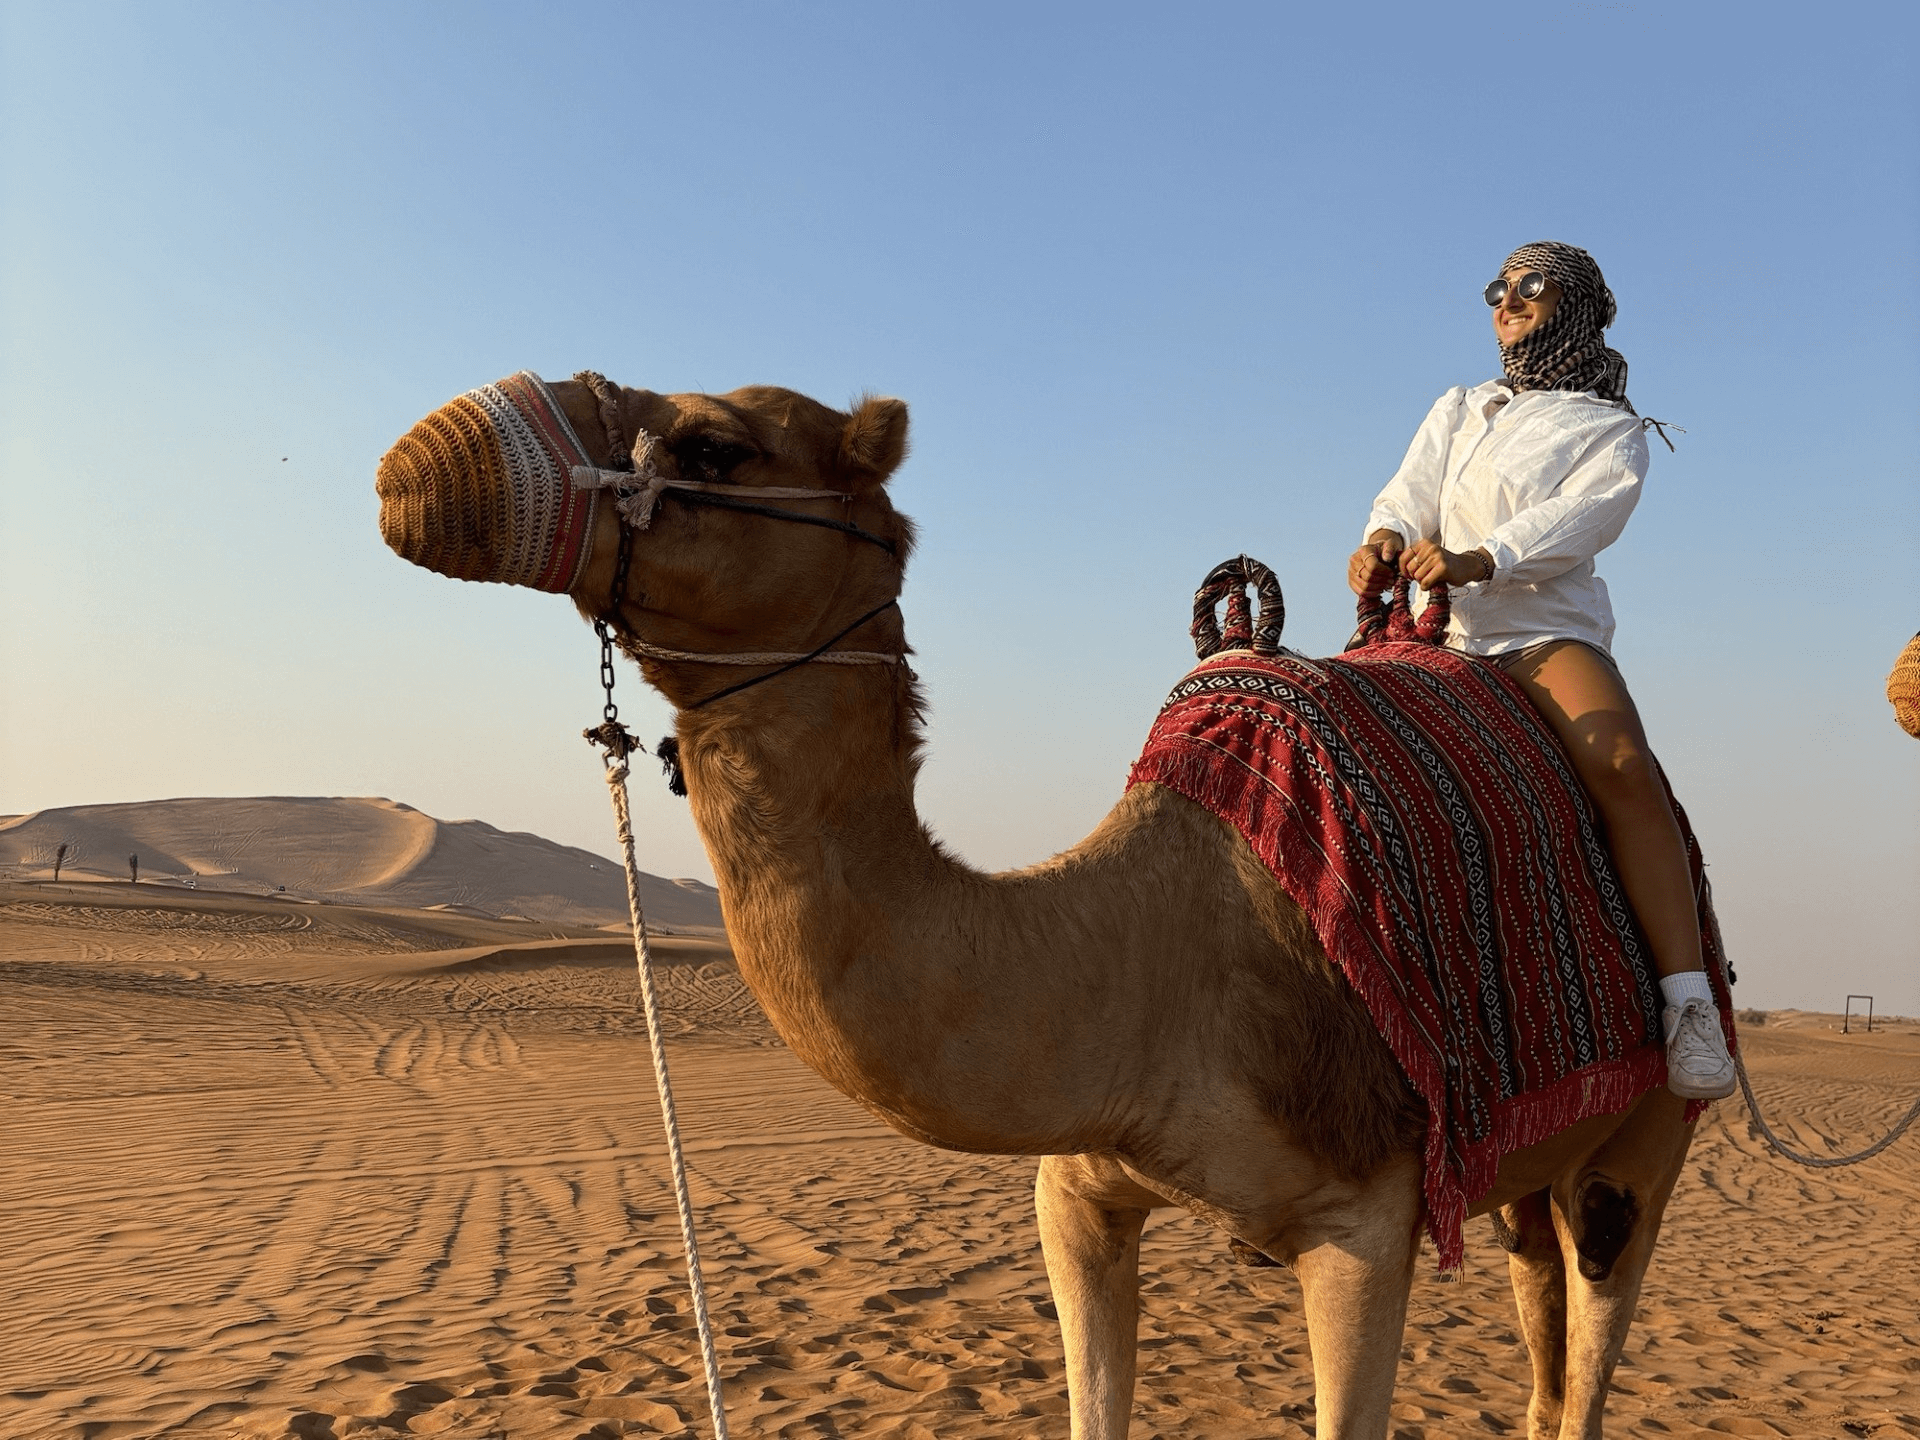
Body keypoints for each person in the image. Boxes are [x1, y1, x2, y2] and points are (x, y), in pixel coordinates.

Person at [1346, 240, 1736, 1101]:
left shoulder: (1611, 429)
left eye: (1531, 287)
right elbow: (1408, 491)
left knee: (1622, 766)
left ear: (1578, 307)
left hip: (1538, 635)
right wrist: (1382, 540)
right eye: (1497, 288)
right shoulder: (1461, 405)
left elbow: (1585, 517)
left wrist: (1486, 558)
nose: (1507, 301)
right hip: (1435, 638)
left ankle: (1688, 1006)